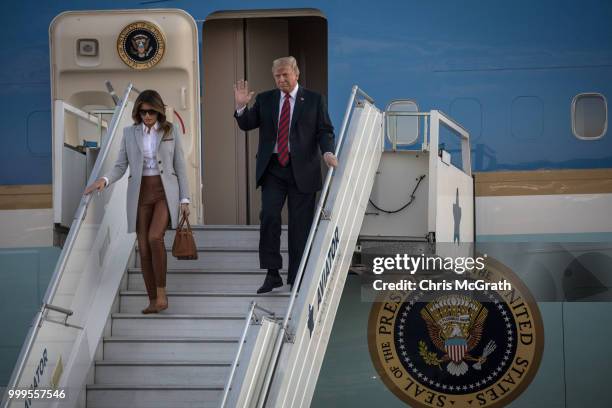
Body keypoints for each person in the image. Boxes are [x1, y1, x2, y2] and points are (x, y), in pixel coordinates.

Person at [234, 56, 338, 294]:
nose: (281, 79)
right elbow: (248, 124)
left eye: (285, 75)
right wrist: (241, 107)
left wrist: (328, 152)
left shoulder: (314, 100)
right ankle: (272, 274)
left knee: (299, 227)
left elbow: (324, 130)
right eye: (277, 76)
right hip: (273, 169)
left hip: (303, 169)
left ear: (296, 74)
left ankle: (296, 276)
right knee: (269, 216)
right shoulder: (266, 99)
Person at [84, 90, 191, 313]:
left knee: (154, 238)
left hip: (164, 192)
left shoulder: (170, 130)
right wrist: (103, 180)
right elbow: (120, 166)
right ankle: (152, 299)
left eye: (151, 111)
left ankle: (162, 294)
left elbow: (180, 166)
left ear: (159, 111)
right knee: (143, 248)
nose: (147, 116)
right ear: (137, 113)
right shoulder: (129, 133)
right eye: (143, 112)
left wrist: (184, 199)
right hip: (140, 193)